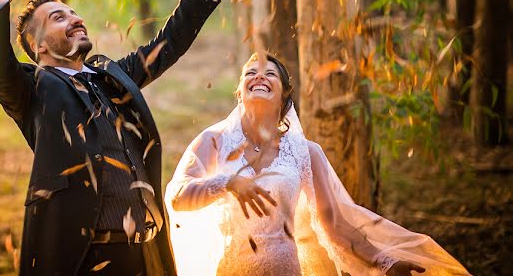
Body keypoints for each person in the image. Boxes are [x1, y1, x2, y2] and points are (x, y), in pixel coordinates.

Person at [0, 0, 248, 276]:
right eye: (59, 18)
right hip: (84, 259)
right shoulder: (34, 91)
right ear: (39, 46)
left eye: (74, 13)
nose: (75, 19)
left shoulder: (110, 78)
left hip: (144, 254)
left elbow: (165, 47)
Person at [165, 53, 471, 276]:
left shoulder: (305, 152)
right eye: (250, 73)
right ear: (240, 93)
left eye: (270, 73)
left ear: (284, 93)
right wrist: (226, 183)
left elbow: (335, 224)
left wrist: (384, 261)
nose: (259, 76)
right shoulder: (213, 142)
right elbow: (178, 197)